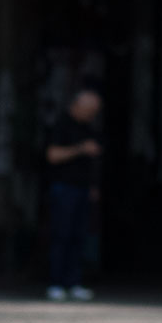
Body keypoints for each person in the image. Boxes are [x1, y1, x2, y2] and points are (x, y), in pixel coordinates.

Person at [42, 84, 104, 300]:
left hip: (82, 189)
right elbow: (52, 155)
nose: (92, 114)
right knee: (62, 235)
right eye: (89, 110)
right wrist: (80, 149)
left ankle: (74, 282)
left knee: (80, 237)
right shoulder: (61, 124)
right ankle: (56, 282)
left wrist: (93, 187)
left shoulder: (88, 127)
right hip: (63, 188)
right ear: (77, 105)